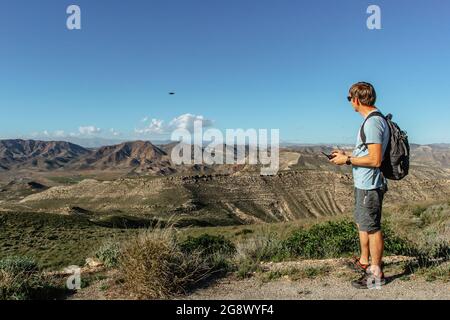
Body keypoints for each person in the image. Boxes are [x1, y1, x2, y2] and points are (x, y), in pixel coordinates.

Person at [330, 82, 389, 289]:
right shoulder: (373, 120)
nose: (350, 103)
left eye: (349, 99)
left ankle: (376, 274)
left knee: (372, 228)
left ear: (356, 99)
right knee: (363, 224)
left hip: (370, 185)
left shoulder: (372, 123)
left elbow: (374, 160)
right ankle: (365, 262)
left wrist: (347, 160)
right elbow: (368, 154)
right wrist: (347, 155)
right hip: (365, 183)